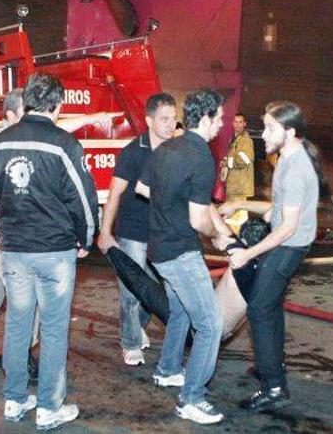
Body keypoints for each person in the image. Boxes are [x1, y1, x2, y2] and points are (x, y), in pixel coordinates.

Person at [0, 90, 116, 375]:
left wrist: (92, 117)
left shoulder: (8, 135)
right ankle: (23, 362)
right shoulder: (0, 141)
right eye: (25, 114)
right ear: (10, 116)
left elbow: (52, 127)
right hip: (0, 230)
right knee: (27, 295)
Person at [0, 74, 99, 430]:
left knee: (17, 323)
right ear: (58, 105)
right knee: (54, 327)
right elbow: (84, 201)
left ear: (27, 101)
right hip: (54, 252)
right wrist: (86, 239)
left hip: (14, 251)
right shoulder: (64, 144)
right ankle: (49, 406)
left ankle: (14, 401)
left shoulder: (0, 144)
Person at [220, 101, 331, 413]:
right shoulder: (285, 156)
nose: (262, 134)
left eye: (270, 128)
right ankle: (272, 363)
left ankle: (274, 387)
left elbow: (286, 228)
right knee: (269, 306)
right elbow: (274, 211)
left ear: (290, 132)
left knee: (258, 308)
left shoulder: (295, 169)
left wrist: (247, 254)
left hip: (287, 247)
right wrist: (240, 205)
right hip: (285, 242)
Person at [135, 88, 234, 425]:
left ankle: (167, 369)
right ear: (205, 117)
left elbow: (148, 190)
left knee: (179, 310)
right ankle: (191, 398)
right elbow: (198, 218)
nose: (222, 125)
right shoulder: (202, 157)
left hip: (158, 249)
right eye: (219, 118)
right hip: (180, 252)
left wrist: (220, 231)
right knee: (210, 323)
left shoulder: (166, 149)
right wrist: (216, 234)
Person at [96, 92, 177, 366]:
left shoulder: (174, 151)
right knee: (131, 292)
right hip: (132, 232)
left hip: (161, 234)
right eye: (164, 119)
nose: (170, 124)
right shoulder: (133, 152)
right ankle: (130, 343)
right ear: (149, 120)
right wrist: (105, 232)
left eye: (174, 119)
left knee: (157, 291)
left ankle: (137, 327)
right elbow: (114, 193)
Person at [221, 113, 255, 201]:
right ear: (232, 123)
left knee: (238, 214)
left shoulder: (246, 141)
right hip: (234, 186)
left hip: (240, 188)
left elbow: (244, 161)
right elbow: (233, 156)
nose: (238, 125)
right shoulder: (234, 139)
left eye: (240, 122)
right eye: (235, 122)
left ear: (245, 124)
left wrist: (225, 163)